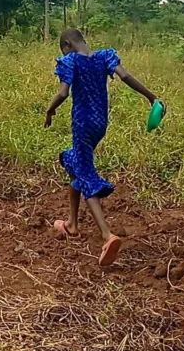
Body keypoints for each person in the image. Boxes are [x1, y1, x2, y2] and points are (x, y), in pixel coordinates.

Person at [45, 28, 162, 266]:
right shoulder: (105, 56)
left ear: (67, 44)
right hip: (100, 124)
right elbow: (126, 76)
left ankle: (107, 235)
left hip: (82, 123)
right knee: (76, 162)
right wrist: (151, 97)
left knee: (85, 172)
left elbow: (63, 92)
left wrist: (50, 109)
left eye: (63, 48)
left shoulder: (70, 61)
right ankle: (72, 224)